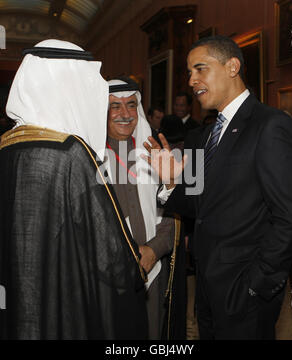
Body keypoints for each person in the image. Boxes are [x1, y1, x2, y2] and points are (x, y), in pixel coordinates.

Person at [143, 35, 292, 340]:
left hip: (247, 293)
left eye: (200, 69)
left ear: (232, 66)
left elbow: (290, 216)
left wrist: (258, 283)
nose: (192, 80)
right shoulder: (204, 136)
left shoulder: (269, 125)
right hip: (207, 289)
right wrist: (172, 181)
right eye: (189, 73)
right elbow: (200, 207)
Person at [0, 40, 148, 340]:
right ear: (69, 89)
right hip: (62, 305)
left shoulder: (5, 146)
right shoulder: (70, 152)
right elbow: (112, 257)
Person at [105, 77, 186, 340]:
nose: (125, 114)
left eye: (131, 105)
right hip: (105, 276)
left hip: (153, 268)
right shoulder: (87, 156)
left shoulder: (161, 153)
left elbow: (178, 211)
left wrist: (154, 249)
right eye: (115, 107)